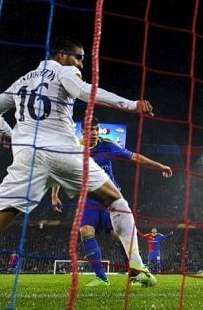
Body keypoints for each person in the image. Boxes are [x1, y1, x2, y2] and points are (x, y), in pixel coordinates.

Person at [0, 36, 157, 287]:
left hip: (27, 156)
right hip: (64, 152)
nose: (80, 65)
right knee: (116, 200)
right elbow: (86, 92)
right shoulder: (64, 71)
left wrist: (10, 134)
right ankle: (137, 265)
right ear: (61, 54)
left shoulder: (21, 82)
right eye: (78, 58)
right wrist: (131, 104)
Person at [51, 117, 172, 286]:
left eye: (96, 129)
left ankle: (136, 274)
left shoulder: (107, 146)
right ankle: (101, 278)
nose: (93, 133)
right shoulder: (74, 149)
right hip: (88, 200)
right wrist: (54, 195)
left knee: (117, 235)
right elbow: (59, 171)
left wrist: (159, 166)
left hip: (111, 199)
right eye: (90, 129)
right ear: (83, 131)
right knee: (85, 230)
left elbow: (135, 157)